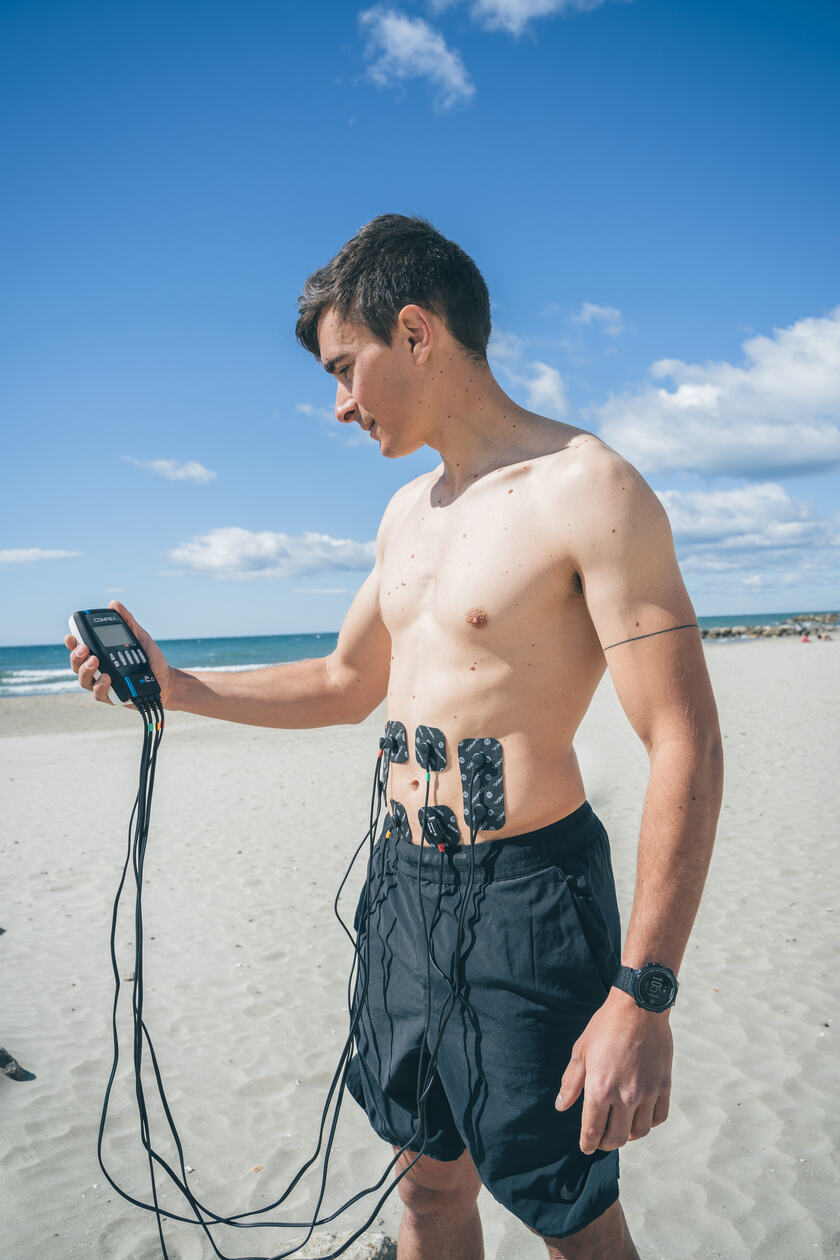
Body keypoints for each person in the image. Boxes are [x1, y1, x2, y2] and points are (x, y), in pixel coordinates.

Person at [65, 215, 723, 1260]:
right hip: (402, 891)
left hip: (527, 899)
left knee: (570, 1217)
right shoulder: (406, 513)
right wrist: (176, 688)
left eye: (345, 369)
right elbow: (345, 681)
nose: (339, 405)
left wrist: (643, 997)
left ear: (415, 332)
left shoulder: (589, 489)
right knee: (424, 1194)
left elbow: (684, 741)